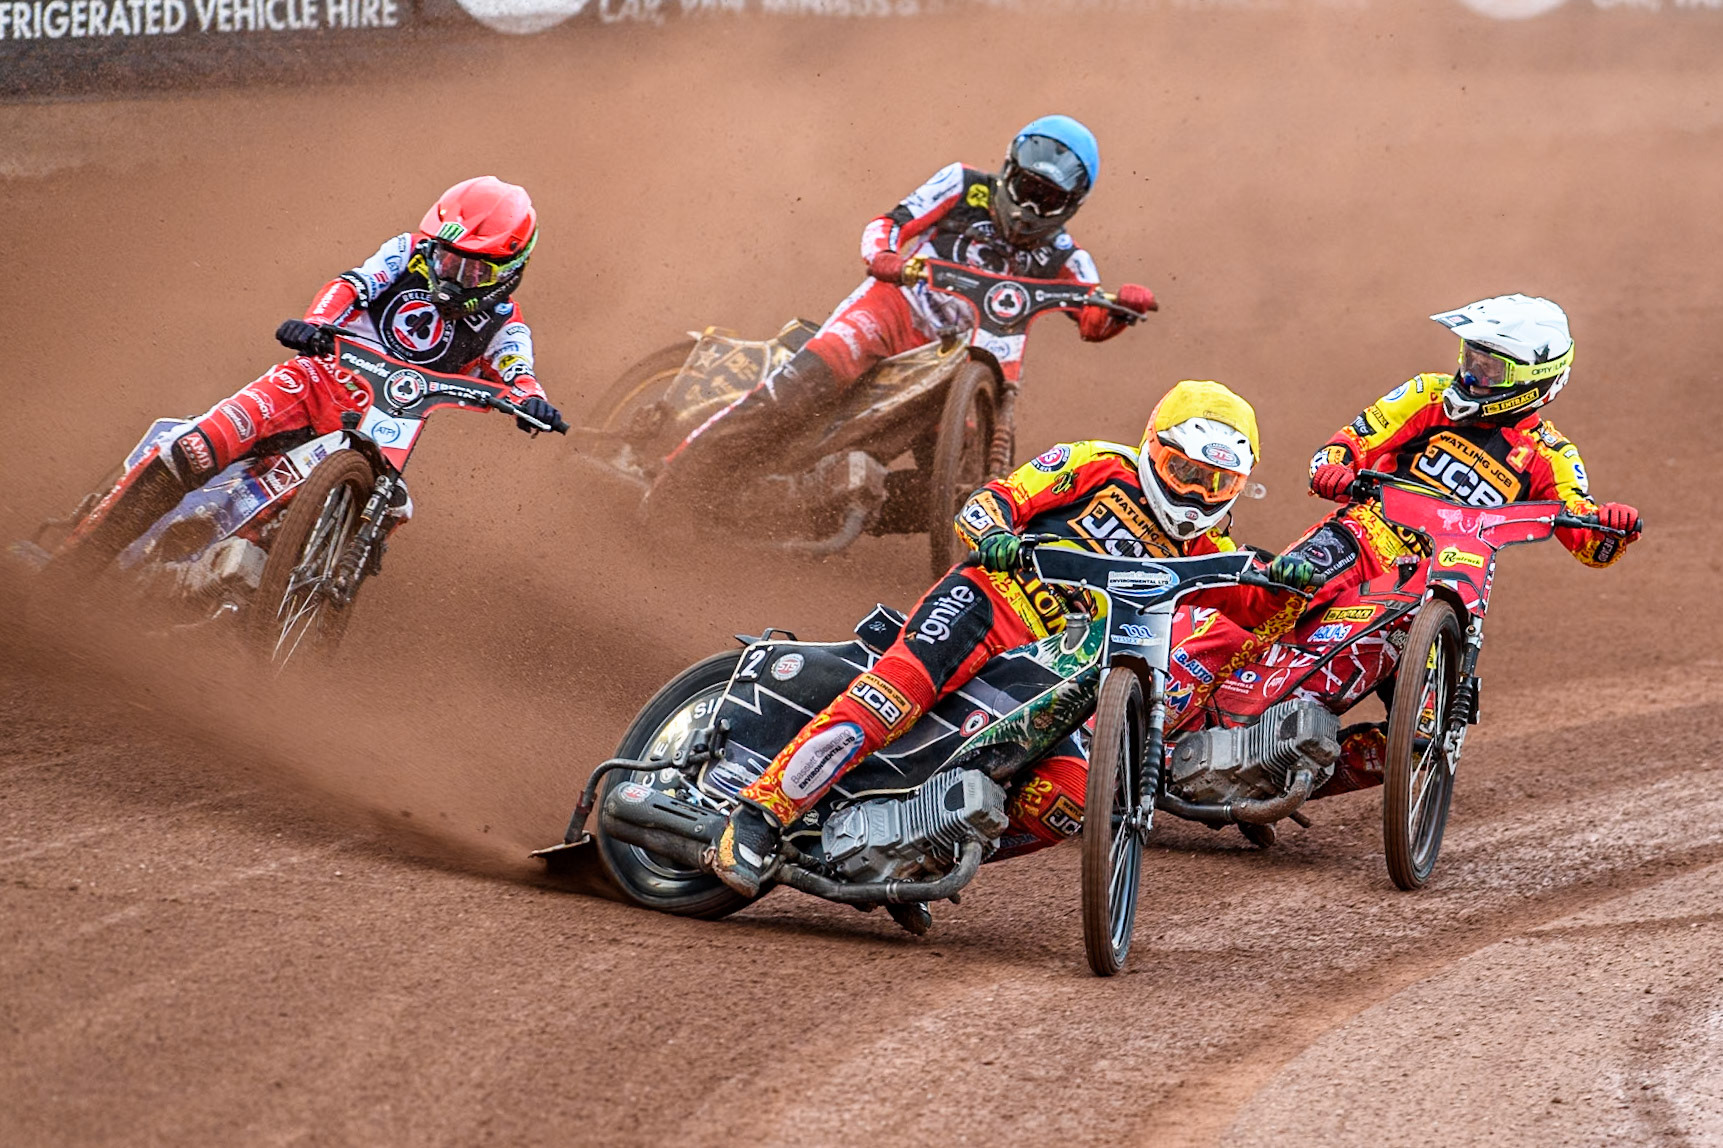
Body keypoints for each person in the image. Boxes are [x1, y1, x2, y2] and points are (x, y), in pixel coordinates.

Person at [710, 380, 1319, 899]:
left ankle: (917, 852)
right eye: (1185, 472)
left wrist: (1289, 582)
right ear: (1154, 448)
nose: (1196, 494)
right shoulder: (1095, 464)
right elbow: (990, 501)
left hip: (1057, 668)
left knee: (1070, 797)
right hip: (988, 603)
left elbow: (1261, 614)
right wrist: (995, 534)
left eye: (1217, 483)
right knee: (895, 695)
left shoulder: (1210, 550)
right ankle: (760, 815)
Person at [49, 176, 562, 578]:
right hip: (312, 382)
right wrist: (316, 323)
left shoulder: (505, 326)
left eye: (473, 270)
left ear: (509, 271)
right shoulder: (406, 251)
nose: (452, 276)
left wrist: (530, 402)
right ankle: (71, 568)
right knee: (197, 448)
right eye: (446, 259)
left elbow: (519, 372)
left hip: (380, 431)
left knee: (389, 508)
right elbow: (354, 284)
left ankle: (284, 597)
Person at [650, 115, 1157, 504]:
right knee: (804, 386)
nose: (1029, 206)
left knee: (959, 489)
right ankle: (675, 478)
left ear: (1070, 205)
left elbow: (1094, 318)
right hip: (893, 313)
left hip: (961, 361)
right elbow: (889, 223)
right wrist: (884, 257)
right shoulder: (963, 185)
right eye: (1026, 188)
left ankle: (821, 502)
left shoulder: (1066, 256)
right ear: (1008, 171)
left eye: (1046, 199)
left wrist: (1122, 307)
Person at [1274, 293, 1643, 794]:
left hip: (1444, 578)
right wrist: (1334, 467)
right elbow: (1351, 441)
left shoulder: (1550, 454)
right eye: (1471, 357)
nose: (1472, 374)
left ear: (1532, 381)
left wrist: (1611, 527)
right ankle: (1183, 699)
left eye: (1491, 368)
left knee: (1423, 740)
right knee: (1276, 593)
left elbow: (1588, 541)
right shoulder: (1428, 394)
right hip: (1367, 534)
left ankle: (1286, 778)